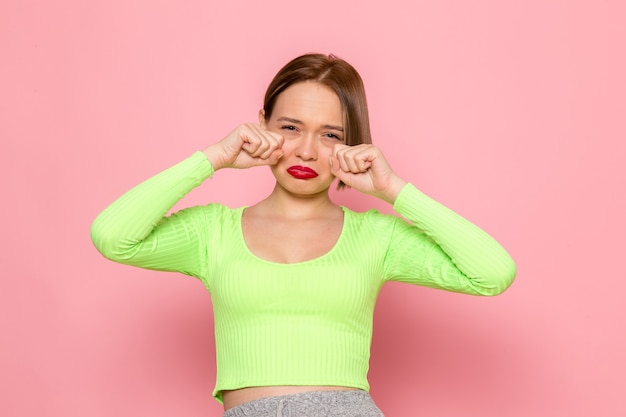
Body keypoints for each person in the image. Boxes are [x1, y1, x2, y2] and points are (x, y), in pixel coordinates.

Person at [91, 53, 516, 417]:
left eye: (331, 135)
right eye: (291, 127)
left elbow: (492, 273)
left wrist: (393, 190)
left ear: (354, 145)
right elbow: (113, 236)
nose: (308, 151)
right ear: (262, 124)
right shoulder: (211, 232)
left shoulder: (376, 237)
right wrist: (212, 159)